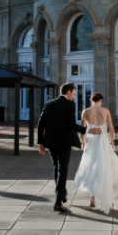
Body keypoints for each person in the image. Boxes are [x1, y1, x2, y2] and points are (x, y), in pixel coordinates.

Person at [72, 93, 118, 214]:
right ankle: (104, 195)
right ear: (101, 100)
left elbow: (83, 129)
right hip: (103, 143)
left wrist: (83, 141)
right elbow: (111, 127)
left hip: (91, 142)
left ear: (91, 100)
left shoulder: (86, 111)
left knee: (90, 168)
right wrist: (112, 140)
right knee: (105, 168)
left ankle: (92, 196)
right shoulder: (105, 111)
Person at [37, 83, 87, 213]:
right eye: (74, 94)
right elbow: (70, 124)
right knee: (62, 169)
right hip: (64, 143)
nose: (74, 97)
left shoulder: (49, 104)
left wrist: (40, 143)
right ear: (68, 93)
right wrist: (86, 130)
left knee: (57, 168)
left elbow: (40, 124)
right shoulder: (69, 104)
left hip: (51, 142)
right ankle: (58, 202)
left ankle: (62, 192)